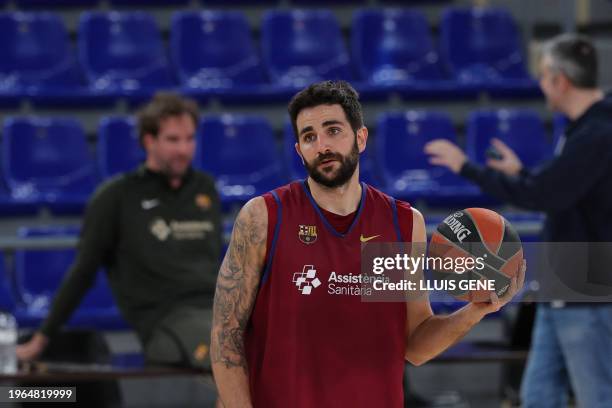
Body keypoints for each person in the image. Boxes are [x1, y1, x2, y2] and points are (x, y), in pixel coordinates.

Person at [210, 80, 525, 407]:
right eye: (309, 137)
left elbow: (415, 346)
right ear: (299, 151)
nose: (322, 146)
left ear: (360, 138)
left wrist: (476, 310)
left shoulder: (402, 224)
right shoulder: (264, 217)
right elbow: (226, 337)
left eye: (333, 130)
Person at [425, 33, 612, 407]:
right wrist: (522, 172)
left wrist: (467, 167)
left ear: (561, 80)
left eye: (544, 76)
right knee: (538, 396)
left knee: (596, 396)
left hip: (587, 291)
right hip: (563, 290)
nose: (541, 84)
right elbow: (558, 187)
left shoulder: (598, 134)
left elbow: (543, 194)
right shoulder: (585, 130)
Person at [16, 92, 222, 369]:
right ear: (149, 141)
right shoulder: (116, 197)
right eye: (173, 140)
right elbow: (83, 272)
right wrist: (41, 340)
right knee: (232, 357)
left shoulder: (205, 188)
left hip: (220, 309)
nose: (184, 150)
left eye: (190, 139)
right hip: (165, 319)